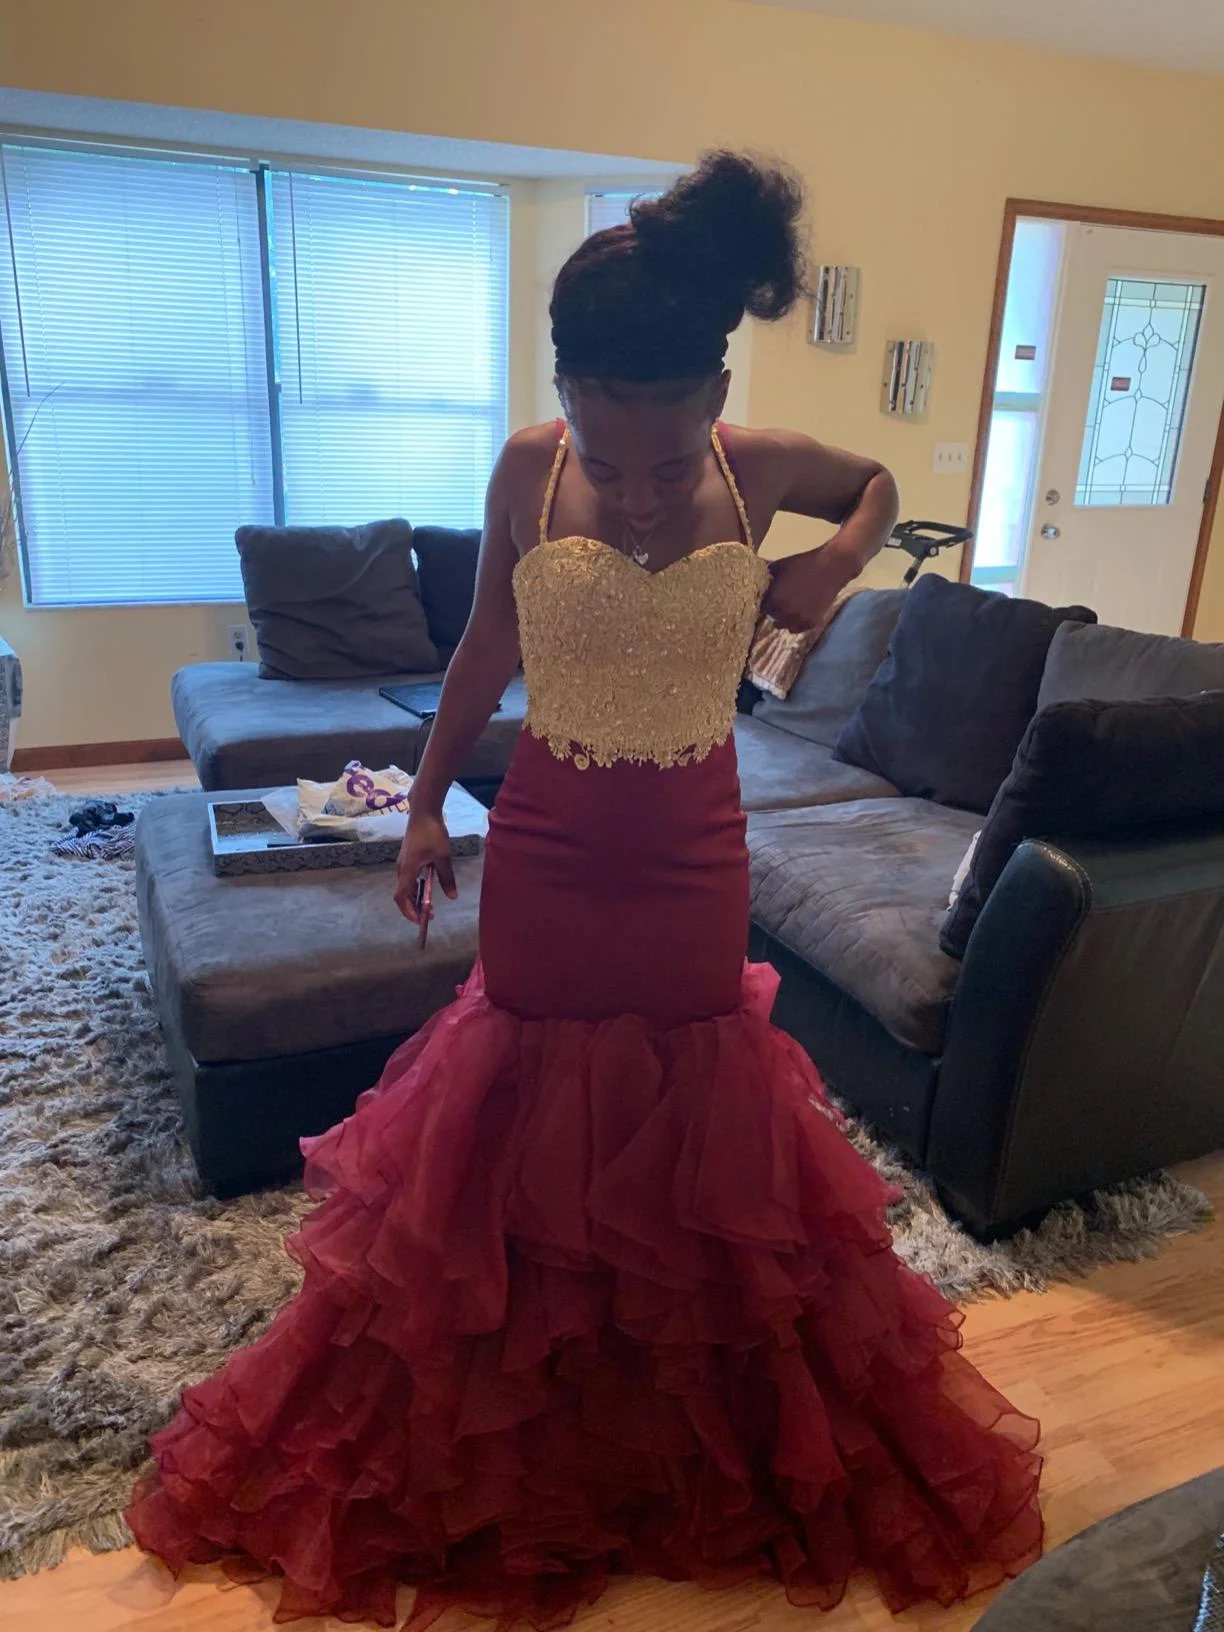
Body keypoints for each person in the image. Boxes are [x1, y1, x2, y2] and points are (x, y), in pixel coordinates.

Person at [127, 151, 1042, 1629]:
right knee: (515, 1125)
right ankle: (526, 1430)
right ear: (566, 395)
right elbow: (483, 652)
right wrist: (423, 812)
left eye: (665, 466)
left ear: (713, 398)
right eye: (608, 463)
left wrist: (834, 567)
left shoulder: (762, 466)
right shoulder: (523, 473)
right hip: (549, 843)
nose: (636, 495)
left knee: (701, 1124)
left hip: (693, 853)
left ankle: (681, 1429)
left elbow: (877, 486)